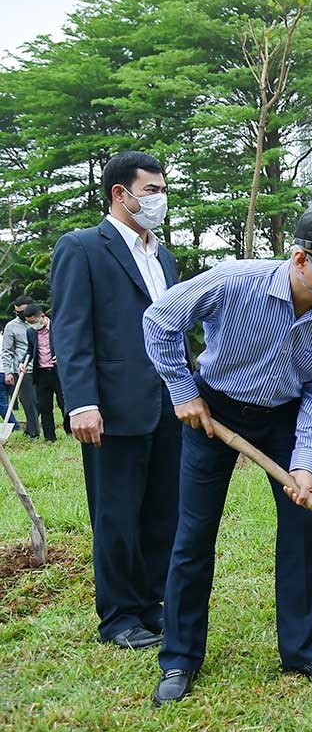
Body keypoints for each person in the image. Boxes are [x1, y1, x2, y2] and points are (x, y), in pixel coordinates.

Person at [143, 208, 312, 706]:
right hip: (214, 410)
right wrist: (183, 392)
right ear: (300, 258)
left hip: (286, 418)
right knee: (194, 532)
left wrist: (304, 460)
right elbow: (159, 319)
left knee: (301, 528)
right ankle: (180, 657)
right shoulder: (233, 281)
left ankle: (301, 650)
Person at [49, 149, 182, 649]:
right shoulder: (83, 247)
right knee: (116, 514)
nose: (159, 200)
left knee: (161, 511)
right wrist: (81, 401)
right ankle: (120, 616)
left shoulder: (163, 256)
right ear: (120, 194)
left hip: (167, 404)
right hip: (112, 407)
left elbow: (173, 328)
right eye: (151, 191)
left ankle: (153, 604)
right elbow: (71, 329)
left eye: (163, 191)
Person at [22, 305, 69, 442]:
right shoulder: (31, 333)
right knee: (44, 406)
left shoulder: (58, 327)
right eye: (29, 323)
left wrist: (61, 356)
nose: (32, 325)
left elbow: (69, 346)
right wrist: (22, 362)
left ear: (42, 316)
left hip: (58, 372)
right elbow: (30, 351)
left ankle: (70, 430)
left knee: (63, 403)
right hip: (41, 373)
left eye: (33, 322)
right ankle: (49, 437)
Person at [3, 295, 38, 439]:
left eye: (22, 312)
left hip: (43, 368)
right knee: (29, 403)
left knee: (41, 402)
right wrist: (8, 372)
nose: (20, 315)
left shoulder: (42, 322)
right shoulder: (11, 327)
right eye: (17, 312)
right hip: (24, 371)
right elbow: (7, 351)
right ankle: (34, 434)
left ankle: (31, 428)